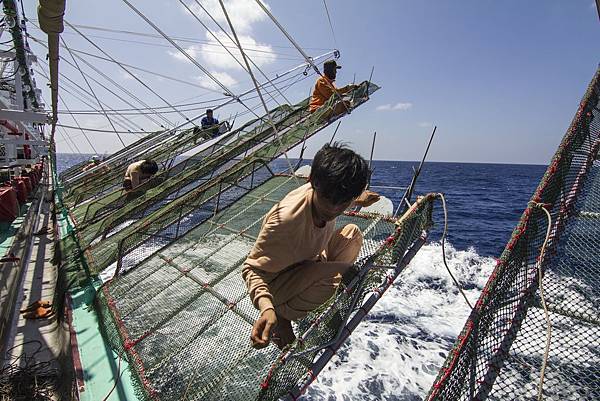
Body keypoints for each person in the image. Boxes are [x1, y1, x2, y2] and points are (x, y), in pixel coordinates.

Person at [242, 142, 380, 349]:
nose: (333, 209)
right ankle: (282, 313)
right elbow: (251, 269)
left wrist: (359, 199)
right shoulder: (286, 221)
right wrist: (266, 308)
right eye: (327, 199)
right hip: (278, 282)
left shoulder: (330, 190)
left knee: (351, 234)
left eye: (343, 202)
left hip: (309, 259)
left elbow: (336, 195)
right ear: (312, 182)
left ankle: (307, 297)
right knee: (334, 279)